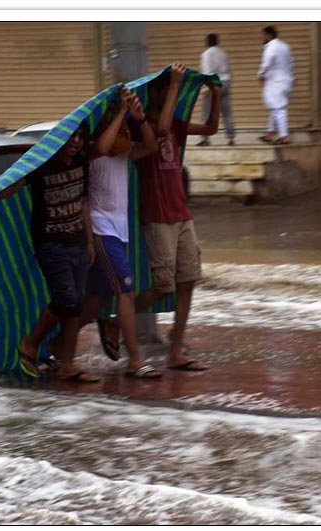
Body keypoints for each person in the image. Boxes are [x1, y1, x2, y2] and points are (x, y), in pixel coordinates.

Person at [100, 63, 220, 371]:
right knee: (163, 285)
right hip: (157, 215)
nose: (168, 95)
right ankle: (116, 323)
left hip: (181, 212)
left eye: (170, 90)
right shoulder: (140, 127)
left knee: (188, 280)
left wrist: (216, 95)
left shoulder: (175, 124)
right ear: (152, 93)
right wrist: (177, 84)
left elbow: (210, 129)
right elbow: (162, 130)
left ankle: (175, 351)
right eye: (164, 90)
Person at [49, 87, 163, 379]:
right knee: (126, 291)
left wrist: (138, 118)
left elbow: (151, 147)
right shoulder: (92, 153)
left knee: (98, 298)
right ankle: (135, 360)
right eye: (120, 129)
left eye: (126, 130)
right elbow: (101, 147)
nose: (124, 135)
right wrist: (122, 112)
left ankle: (58, 343)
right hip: (101, 230)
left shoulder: (124, 155)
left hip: (119, 233)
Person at [0, 125, 100, 383]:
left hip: (78, 244)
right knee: (66, 299)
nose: (76, 142)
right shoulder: (44, 164)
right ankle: (30, 343)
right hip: (51, 245)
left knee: (75, 306)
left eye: (81, 138)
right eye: (71, 137)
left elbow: (83, 203)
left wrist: (90, 241)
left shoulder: (82, 164)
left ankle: (67, 365)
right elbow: (17, 183)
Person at [257, 25, 294, 145]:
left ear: (268, 35)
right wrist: (292, 77)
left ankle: (284, 136)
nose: (262, 38)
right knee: (275, 107)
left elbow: (267, 62)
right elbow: (291, 63)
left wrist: (260, 74)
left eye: (263, 35)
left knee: (279, 109)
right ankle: (270, 134)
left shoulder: (271, 47)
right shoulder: (285, 46)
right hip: (285, 81)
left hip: (276, 82)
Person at [198, 33, 235, 146]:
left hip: (213, 84)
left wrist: (205, 88)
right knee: (226, 112)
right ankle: (231, 138)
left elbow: (207, 72)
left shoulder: (206, 54)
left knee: (207, 112)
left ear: (207, 42)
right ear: (217, 42)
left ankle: (205, 139)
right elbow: (228, 70)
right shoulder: (224, 54)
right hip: (225, 83)